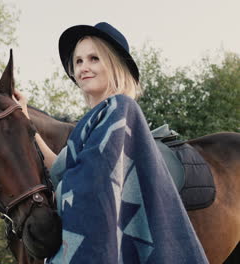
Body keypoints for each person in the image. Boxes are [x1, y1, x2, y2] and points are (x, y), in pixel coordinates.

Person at [13, 22, 208, 263]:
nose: (84, 67)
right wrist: (25, 120)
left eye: (94, 58)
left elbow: (90, 187)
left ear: (114, 64)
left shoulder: (120, 111)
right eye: (79, 61)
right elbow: (64, 170)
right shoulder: (90, 126)